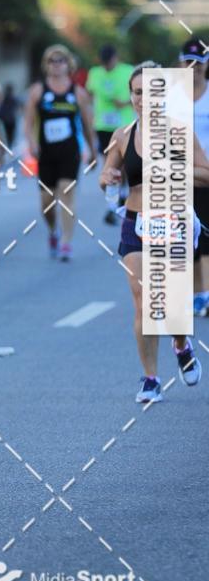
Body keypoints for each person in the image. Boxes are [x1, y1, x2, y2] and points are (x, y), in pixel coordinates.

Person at [100, 61, 206, 403]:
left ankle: (181, 343)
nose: (144, 99)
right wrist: (109, 178)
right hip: (136, 223)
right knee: (142, 299)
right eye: (138, 93)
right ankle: (150, 378)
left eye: (151, 92)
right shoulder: (123, 135)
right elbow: (107, 172)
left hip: (172, 221)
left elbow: (206, 174)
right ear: (131, 96)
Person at [23, 44, 96, 261]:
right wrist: (31, 144)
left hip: (70, 151)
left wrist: (92, 150)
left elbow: (87, 124)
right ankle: (53, 231)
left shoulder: (78, 93)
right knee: (46, 201)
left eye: (61, 60)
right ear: (46, 65)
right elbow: (27, 124)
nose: (56, 65)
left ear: (68, 64)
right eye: (52, 61)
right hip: (45, 153)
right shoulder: (38, 91)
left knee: (66, 193)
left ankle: (66, 241)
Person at [87, 44, 134, 224]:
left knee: (124, 166)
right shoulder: (95, 73)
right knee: (110, 166)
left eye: (110, 63)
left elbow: (140, 93)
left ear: (116, 58)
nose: (108, 67)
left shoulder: (128, 71)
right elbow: (89, 96)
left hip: (124, 126)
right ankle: (112, 206)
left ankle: (122, 194)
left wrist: (125, 103)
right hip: (103, 127)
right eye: (105, 64)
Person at [179, 39, 209, 316]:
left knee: (207, 235)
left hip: (207, 175)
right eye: (188, 62)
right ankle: (197, 293)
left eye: (198, 63)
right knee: (188, 239)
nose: (193, 68)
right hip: (180, 176)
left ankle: (206, 293)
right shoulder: (172, 97)